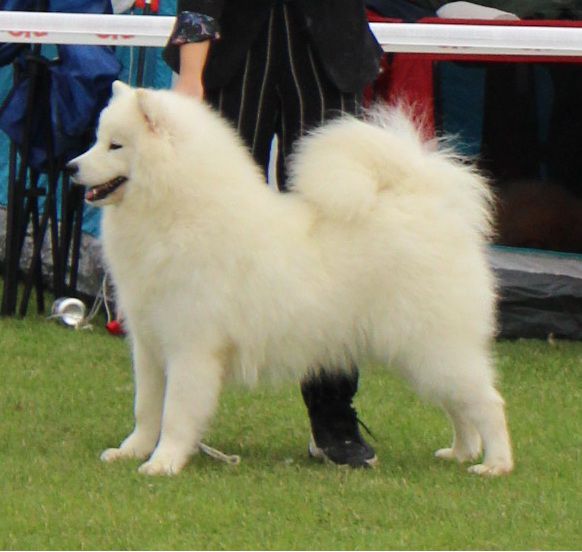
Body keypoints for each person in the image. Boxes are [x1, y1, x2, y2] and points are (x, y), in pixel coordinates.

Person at [163, 0, 383, 468]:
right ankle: (177, 423)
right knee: (206, 232)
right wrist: (189, 74)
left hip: (326, 54)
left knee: (334, 239)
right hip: (231, 58)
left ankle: (332, 420)